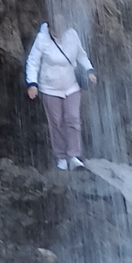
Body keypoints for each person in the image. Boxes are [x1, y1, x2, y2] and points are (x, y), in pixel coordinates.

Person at [25, 20, 95, 168]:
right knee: (56, 122)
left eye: (61, 30)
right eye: (56, 31)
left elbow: (81, 55)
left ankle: (74, 155)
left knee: (73, 118)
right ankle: (61, 156)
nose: (59, 34)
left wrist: (89, 70)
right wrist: (32, 84)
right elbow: (33, 62)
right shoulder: (42, 38)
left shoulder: (72, 35)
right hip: (50, 88)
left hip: (71, 86)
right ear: (49, 28)